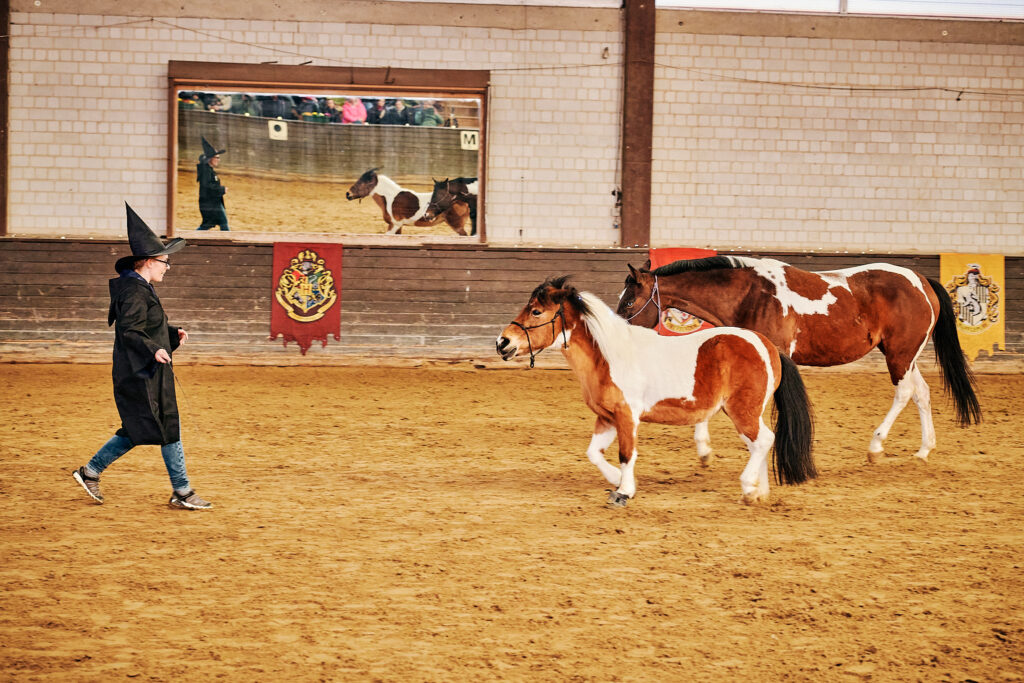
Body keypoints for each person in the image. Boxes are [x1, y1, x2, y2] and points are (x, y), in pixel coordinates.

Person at [72, 204, 212, 510]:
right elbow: (130, 330)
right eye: (165, 261)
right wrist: (155, 349)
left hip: (148, 370)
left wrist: (171, 334)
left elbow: (146, 326)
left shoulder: (139, 288)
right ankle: (180, 491)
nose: (167, 267)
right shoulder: (135, 291)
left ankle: (94, 472)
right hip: (139, 373)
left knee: (156, 425)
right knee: (149, 426)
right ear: (149, 261)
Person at [196, 136, 229, 231]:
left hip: (213, 202)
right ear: (211, 158)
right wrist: (222, 189)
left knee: (208, 225)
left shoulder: (208, 170)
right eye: (217, 157)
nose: (219, 160)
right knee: (223, 223)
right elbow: (207, 186)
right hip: (211, 204)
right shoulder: (206, 171)